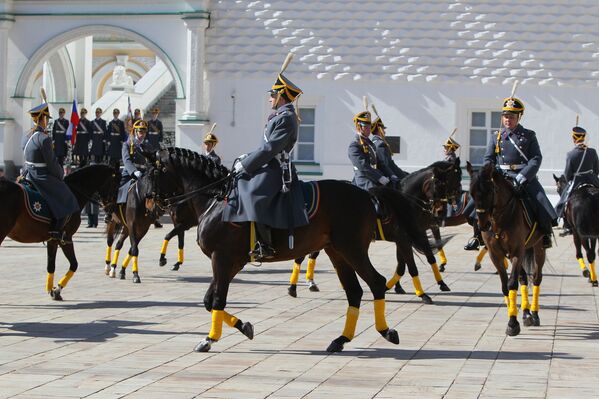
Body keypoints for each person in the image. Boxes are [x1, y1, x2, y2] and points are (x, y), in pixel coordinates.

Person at [222, 54, 309, 260]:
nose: (270, 98)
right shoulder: (278, 116)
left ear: (281, 97)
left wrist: (247, 164)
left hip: (276, 168)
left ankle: (265, 244)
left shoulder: (287, 118)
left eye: (272, 95)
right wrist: (247, 157)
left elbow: (271, 148)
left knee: (254, 195)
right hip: (268, 163)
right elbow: (265, 147)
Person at [482, 94, 557, 248]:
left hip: (522, 176)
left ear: (519, 117)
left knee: (540, 200)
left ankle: (545, 233)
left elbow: (536, 158)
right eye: (505, 116)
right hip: (501, 177)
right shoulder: (496, 137)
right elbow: (488, 159)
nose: (507, 119)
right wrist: (489, 174)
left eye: (511, 116)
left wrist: (523, 176)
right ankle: (477, 234)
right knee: (478, 200)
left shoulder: (529, 136)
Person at [22, 101, 79, 242]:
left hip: (28, 172)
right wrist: (60, 174)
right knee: (67, 196)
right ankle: (56, 229)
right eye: (47, 119)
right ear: (44, 119)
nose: (47, 122)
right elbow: (52, 163)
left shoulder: (27, 136)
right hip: (40, 175)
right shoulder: (44, 139)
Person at [554, 125, 599, 236]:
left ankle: (566, 224)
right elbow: (597, 170)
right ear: (584, 138)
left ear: (574, 139)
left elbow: (567, 174)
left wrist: (570, 179)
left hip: (577, 181)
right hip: (592, 179)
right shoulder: (592, 152)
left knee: (564, 200)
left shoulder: (571, 154)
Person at [348, 109, 390, 190]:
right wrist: (379, 177)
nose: (369, 130)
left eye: (369, 127)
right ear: (359, 127)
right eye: (366, 127)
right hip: (364, 180)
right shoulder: (354, 145)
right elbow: (363, 166)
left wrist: (391, 175)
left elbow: (380, 163)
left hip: (375, 177)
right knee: (377, 198)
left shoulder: (369, 143)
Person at [370, 108, 409, 185]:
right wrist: (404, 177)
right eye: (383, 129)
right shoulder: (381, 145)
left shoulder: (372, 143)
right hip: (385, 177)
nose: (385, 132)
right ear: (379, 130)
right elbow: (388, 165)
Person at [117, 120, 151, 204]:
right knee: (118, 188)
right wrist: (134, 171)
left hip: (144, 173)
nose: (142, 134)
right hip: (131, 172)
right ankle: (111, 212)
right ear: (135, 132)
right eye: (140, 131)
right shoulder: (127, 144)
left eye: (144, 132)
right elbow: (126, 160)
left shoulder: (147, 146)